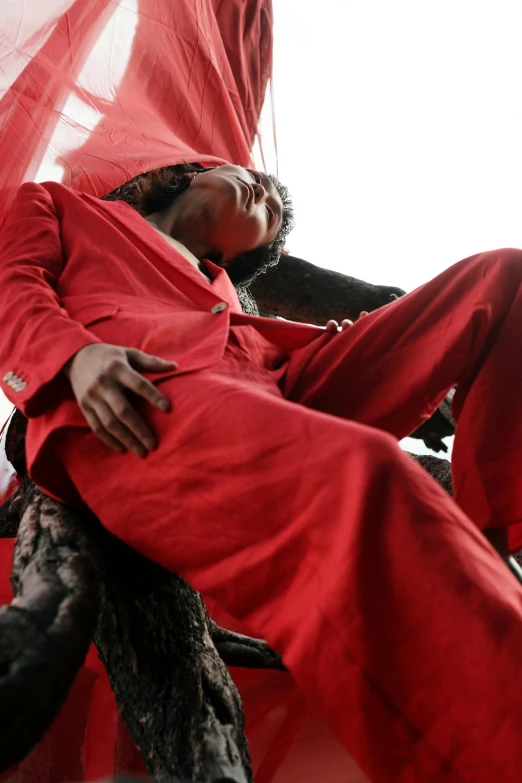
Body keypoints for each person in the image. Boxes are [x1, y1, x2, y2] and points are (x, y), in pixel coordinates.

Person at [2, 160, 522, 783]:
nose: (265, 193)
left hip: (278, 380)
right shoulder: (61, 206)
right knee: (365, 474)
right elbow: (12, 284)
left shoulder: (225, 287)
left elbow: (259, 349)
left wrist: (354, 343)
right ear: (191, 175)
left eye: (273, 209)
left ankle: (490, 531)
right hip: (138, 393)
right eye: (254, 182)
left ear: (242, 249)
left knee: (504, 275)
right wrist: (72, 357)